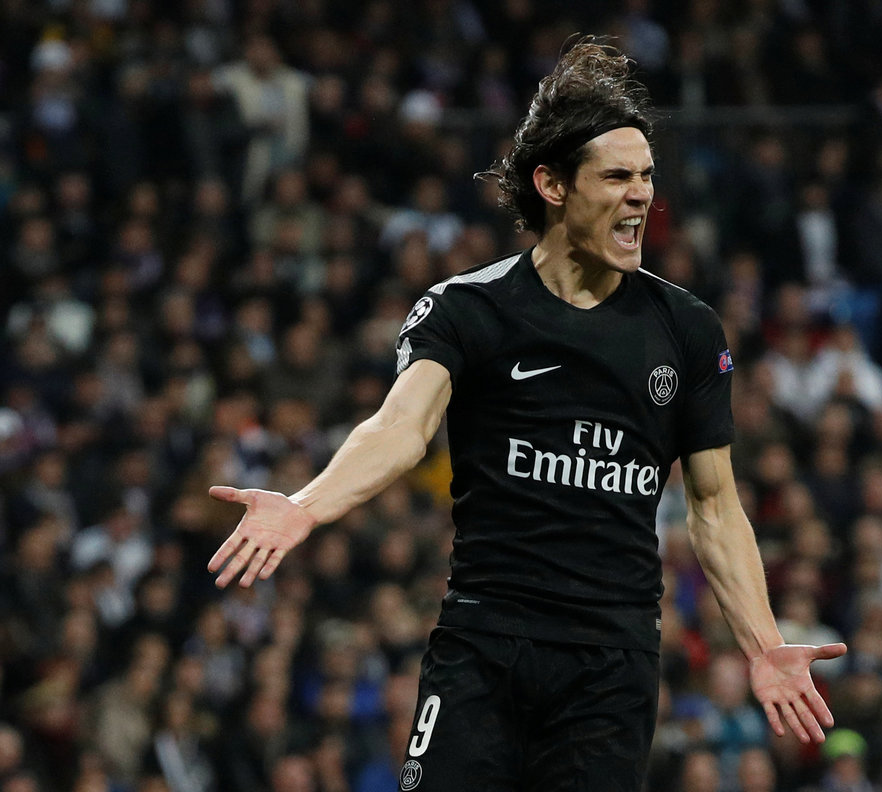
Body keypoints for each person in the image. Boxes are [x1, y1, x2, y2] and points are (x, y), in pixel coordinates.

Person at [206, 37, 846, 792]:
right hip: (486, 645)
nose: (641, 195)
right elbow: (400, 428)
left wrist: (764, 644)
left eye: (647, 175)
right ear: (552, 184)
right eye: (616, 177)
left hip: (611, 665)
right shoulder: (469, 310)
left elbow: (714, 506)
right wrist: (306, 506)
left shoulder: (688, 331)